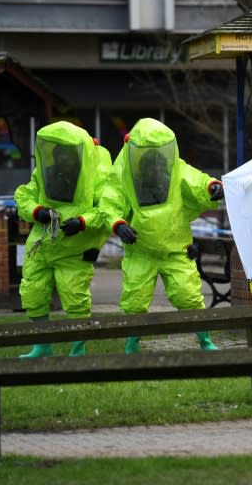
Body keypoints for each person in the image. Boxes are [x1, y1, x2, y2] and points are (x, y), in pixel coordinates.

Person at [100, 118, 224, 354]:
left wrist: (213, 187)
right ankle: (132, 345)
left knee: (188, 296)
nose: (154, 166)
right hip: (141, 250)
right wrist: (118, 224)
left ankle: (205, 340)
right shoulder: (123, 174)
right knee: (134, 301)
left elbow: (198, 181)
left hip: (176, 249)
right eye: (148, 160)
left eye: (157, 159)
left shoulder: (176, 169)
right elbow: (110, 202)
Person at [14, 120, 112, 358]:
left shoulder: (96, 175)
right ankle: (42, 345)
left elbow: (107, 209)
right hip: (42, 246)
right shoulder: (44, 173)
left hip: (74, 250)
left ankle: (78, 349)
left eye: (66, 154)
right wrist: (38, 211)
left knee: (75, 298)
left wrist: (82, 222)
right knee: (32, 292)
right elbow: (24, 196)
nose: (61, 160)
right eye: (57, 154)